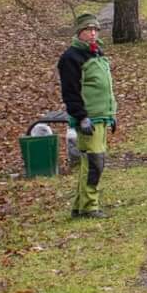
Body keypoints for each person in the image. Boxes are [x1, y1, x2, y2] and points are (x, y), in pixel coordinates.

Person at [58, 11, 118, 219]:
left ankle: (79, 207)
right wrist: (81, 117)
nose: (92, 33)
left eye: (95, 29)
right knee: (94, 162)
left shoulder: (97, 53)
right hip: (88, 119)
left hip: (101, 118)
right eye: (88, 30)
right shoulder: (71, 58)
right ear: (79, 32)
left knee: (90, 163)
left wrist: (111, 114)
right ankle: (90, 207)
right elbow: (71, 92)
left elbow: (106, 88)